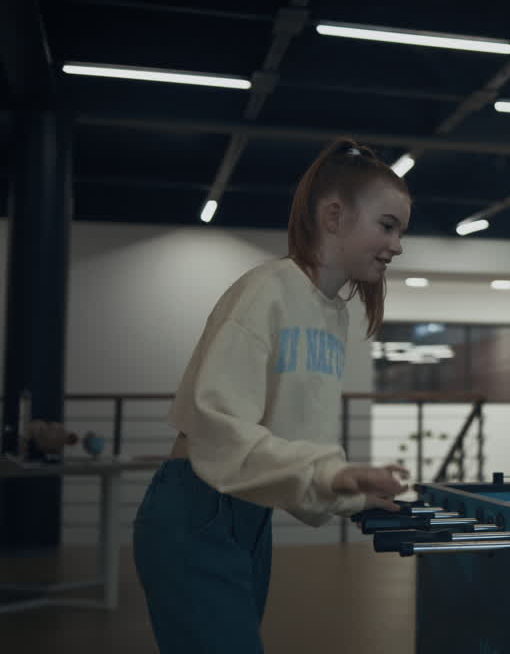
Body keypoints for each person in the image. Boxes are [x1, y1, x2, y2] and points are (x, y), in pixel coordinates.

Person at [133, 139, 414, 654]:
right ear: (334, 216)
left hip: (249, 514)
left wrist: (348, 495)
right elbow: (218, 431)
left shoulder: (333, 314)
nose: (397, 246)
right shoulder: (268, 290)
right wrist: (332, 474)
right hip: (198, 509)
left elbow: (294, 442)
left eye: (401, 231)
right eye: (388, 225)